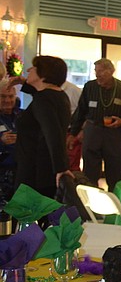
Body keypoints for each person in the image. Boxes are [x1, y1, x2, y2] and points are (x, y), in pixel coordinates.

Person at [69, 58, 121, 191]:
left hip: (115, 134)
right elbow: (81, 111)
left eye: (101, 71)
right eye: (96, 71)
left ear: (111, 71)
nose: (97, 75)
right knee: (90, 172)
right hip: (93, 131)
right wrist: (73, 133)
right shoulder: (90, 86)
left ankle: (115, 199)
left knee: (116, 172)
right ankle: (90, 200)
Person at [16, 56, 73, 198]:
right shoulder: (59, 95)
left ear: (43, 75)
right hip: (44, 167)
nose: (29, 70)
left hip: (35, 168)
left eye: (34, 68)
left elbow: (53, 133)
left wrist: (61, 168)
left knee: (30, 209)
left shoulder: (43, 99)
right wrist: (23, 83)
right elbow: (41, 95)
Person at [0, 82, 20, 205]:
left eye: (11, 96)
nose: (7, 100)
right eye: (2, 96)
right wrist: (1, 141)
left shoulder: (23, 116)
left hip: (21, 172)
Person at [61, 80, 83, 172]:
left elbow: (84, 111)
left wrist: (81, 131)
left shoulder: (73, 90)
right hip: (56, 132)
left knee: (71, 165)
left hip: (71, 132)